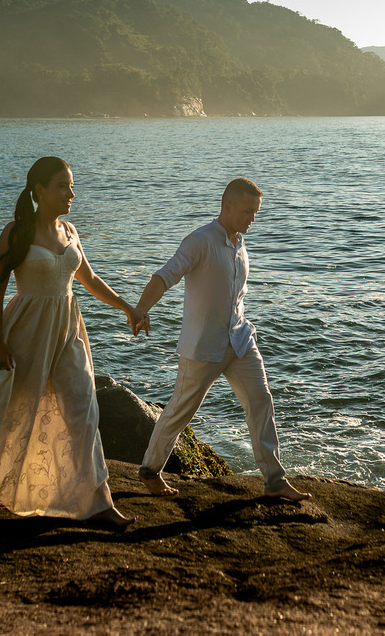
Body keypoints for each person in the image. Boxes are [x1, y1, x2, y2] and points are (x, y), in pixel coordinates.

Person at [0, 157, 143, 528]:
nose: (70, 193)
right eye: (62, 186)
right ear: (39, 190)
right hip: (27, 331)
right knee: (18, 410)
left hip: (68, 330)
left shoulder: (70, 231)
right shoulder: (17, 232)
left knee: (84, 409)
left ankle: (99, 502)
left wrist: (127, 306)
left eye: (72, 186)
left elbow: (89, 280)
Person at [133, 177, 311, 501]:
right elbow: (165, 275)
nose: (252, 219)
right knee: (180, 411)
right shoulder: (199, 241)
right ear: (227, 207)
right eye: (247, 212)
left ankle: (274, 480)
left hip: (240, 340)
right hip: (203, 346)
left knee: (261, 401)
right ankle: (149, 471)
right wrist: (141, 309)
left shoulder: (240, 243)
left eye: (255, 213)